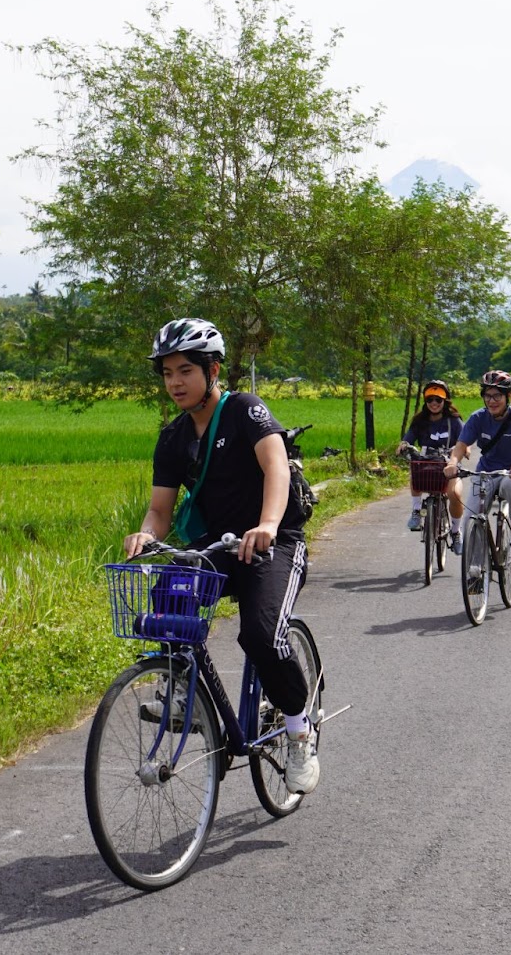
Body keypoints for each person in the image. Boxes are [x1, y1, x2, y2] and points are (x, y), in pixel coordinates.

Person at [124, 318, 319, 794]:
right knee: (168, 598)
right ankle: (175, 688)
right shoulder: (173, 439)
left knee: (259, 634)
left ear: (212, 370)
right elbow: (159, 511)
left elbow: (275, 466)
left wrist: (268, 525)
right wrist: (145, 535)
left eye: (185, 370)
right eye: (167, 372)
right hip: (216, 544)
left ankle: (298, 732)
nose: (175, 382)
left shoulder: (246, 412)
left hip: (274, 543)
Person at [443, 370, 511, 554]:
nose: (491, 401)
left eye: (497, 396)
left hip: (510, 474)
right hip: (485, 473)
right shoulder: (478, 417)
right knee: (471, 519)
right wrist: (453, 462)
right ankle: (476, 567)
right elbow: (461, 445)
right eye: (487, 396)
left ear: (508, 396)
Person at [400, 379, 466, 551]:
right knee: (415, 471)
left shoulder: (454, 420)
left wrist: (465, 450)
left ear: (445, 401)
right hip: (427, 462)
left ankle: (455, 531)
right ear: (425, 401)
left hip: (448, 463)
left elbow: (465, 440)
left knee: (455, 495)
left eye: (438, 399)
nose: (434, 403)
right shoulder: (420, 420)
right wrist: (403, 445)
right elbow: (409, 437)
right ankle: (416, 511)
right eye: (430, 400)